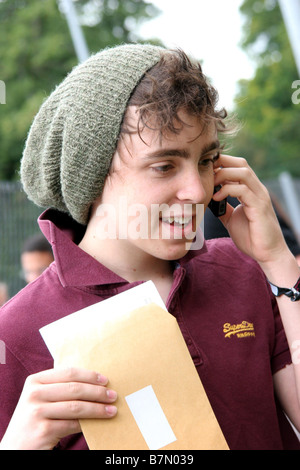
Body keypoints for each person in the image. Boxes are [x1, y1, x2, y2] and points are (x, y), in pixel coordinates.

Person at [0, 44, 300, 451]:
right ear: (92, 176)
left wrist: (278, 261)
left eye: (206, 159)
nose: (197, 190)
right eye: (164, 165)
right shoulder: (15, 331)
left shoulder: (244, 271)